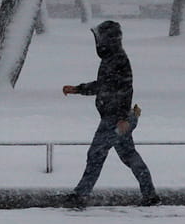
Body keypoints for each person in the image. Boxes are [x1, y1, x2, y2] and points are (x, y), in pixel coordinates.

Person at [61, 20, 157, 206]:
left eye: (101, 38)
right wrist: (78, 89)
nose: (98, 42)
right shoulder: (113, 58)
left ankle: (80, 195)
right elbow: (105, 86)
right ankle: (150, 194)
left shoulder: (117, 59)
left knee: (96, 154)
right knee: (129, 155)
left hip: (114, 119)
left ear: (109, 39)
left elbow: (124, 89)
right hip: (117, 116)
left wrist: (122, 119)